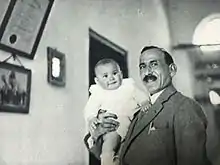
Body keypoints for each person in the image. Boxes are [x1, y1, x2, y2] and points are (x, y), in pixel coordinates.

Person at [85, 46, 212, 165]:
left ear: (171, 69)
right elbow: (117, 156)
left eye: (154, 64)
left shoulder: (184, 107)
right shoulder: (136, 108)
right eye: (142, 66)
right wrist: (98, 134)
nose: (147, 71)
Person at [84, 58, 151, 165]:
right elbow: (90, 108)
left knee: (123, 148)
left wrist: (144, 102)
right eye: (105, 76)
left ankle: (115, 160)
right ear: (97, 81)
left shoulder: (128, 87)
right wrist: (92, 118)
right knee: (109, 145)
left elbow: (141, 96)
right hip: (111, 125)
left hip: (127, 122)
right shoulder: (98, 93)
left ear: (121, 74)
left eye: (114, 73)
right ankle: (107, 161)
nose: (111, 78)